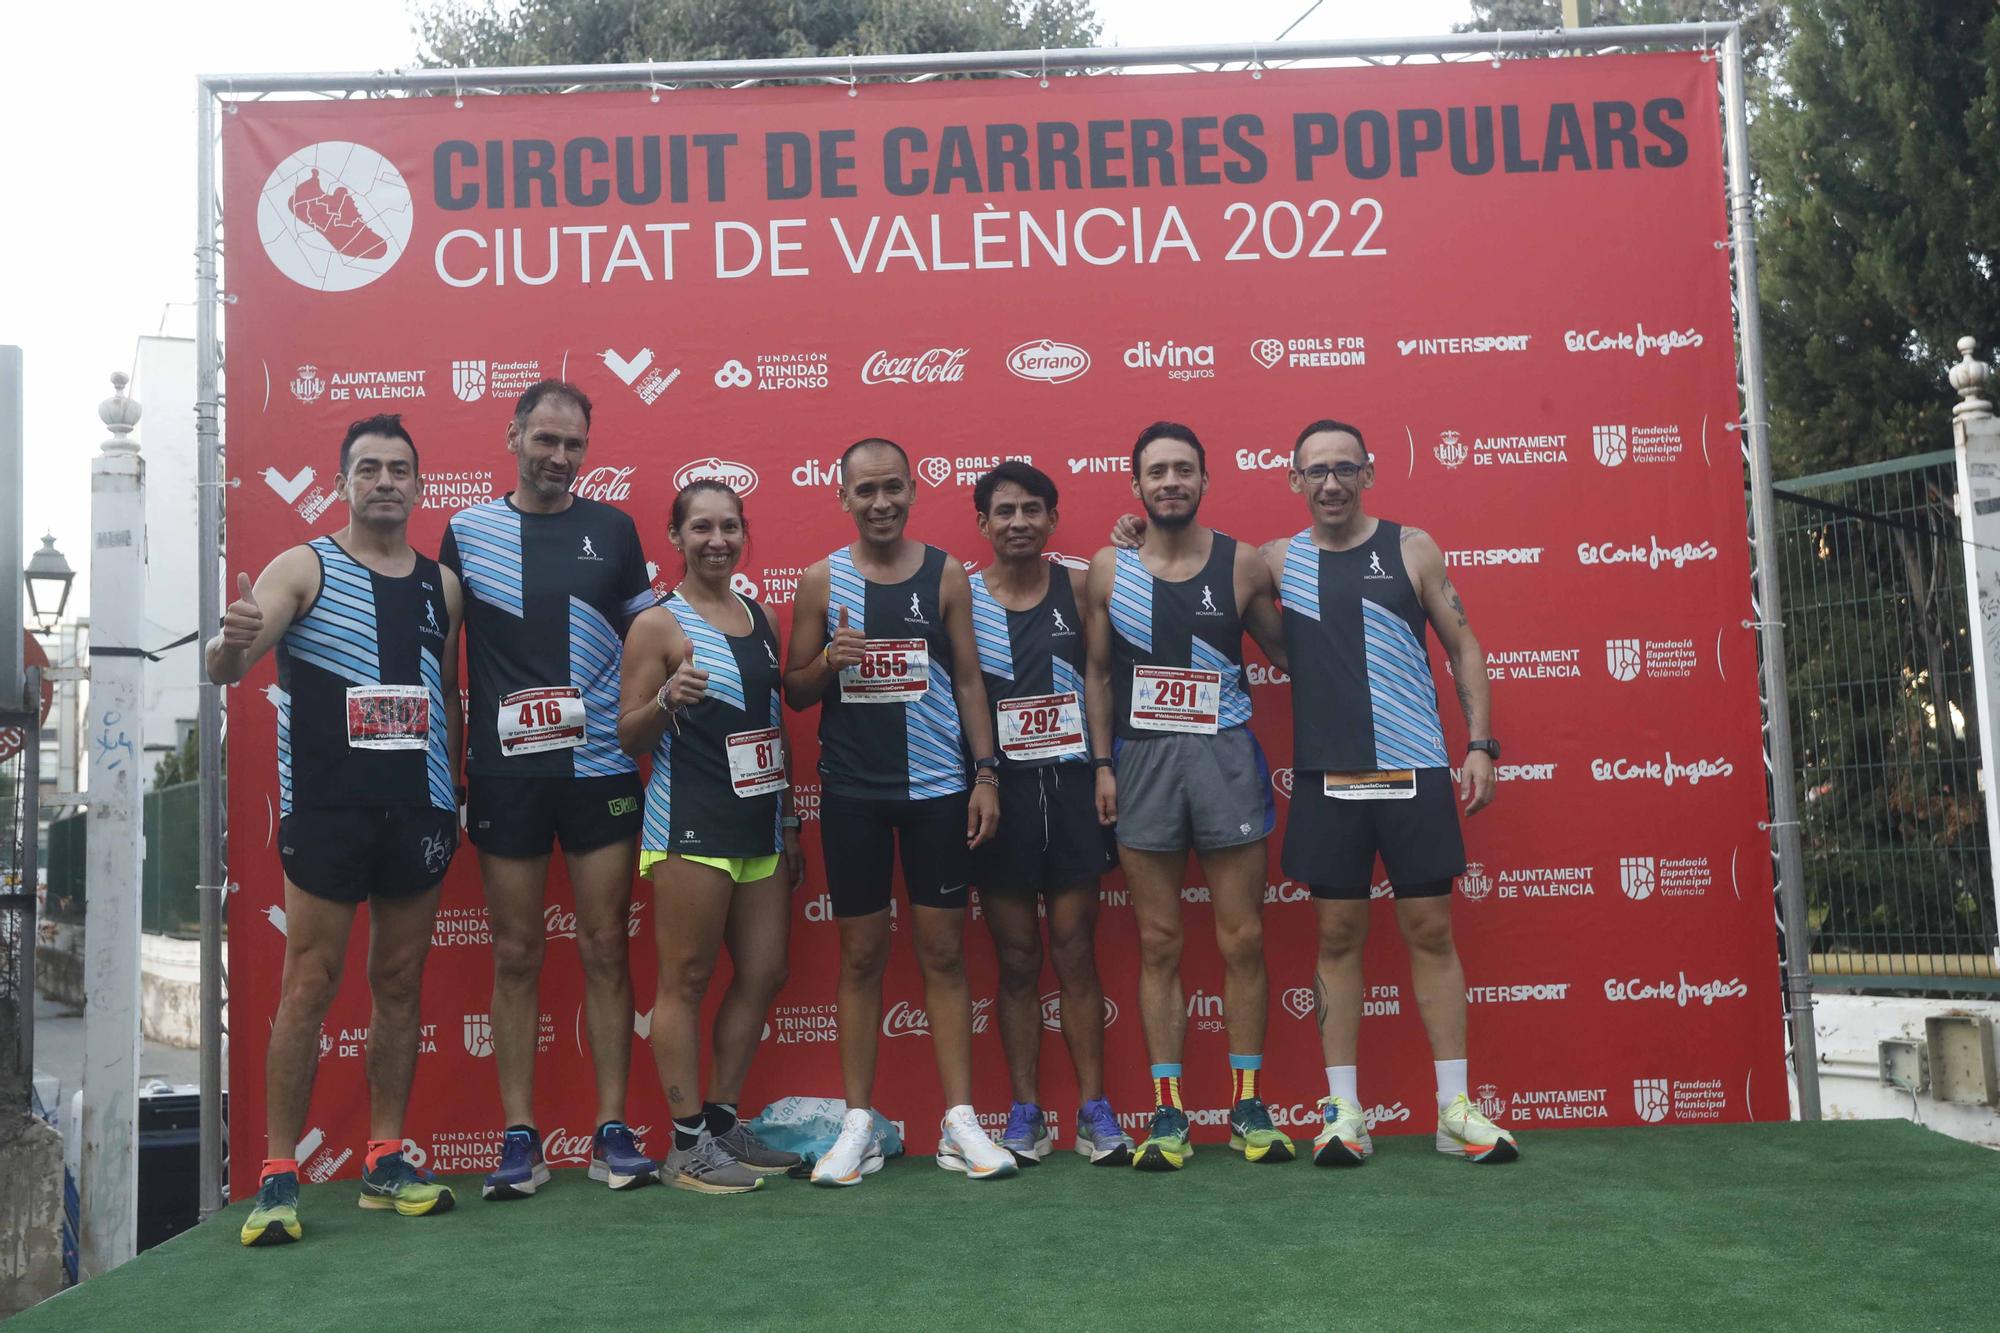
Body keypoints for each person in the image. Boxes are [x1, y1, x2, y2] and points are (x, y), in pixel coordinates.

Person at [207, 414, 462, 1245]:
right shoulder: (303, 565)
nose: (385, 480)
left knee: (398, 980)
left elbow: (445, 696)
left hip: (418, 809)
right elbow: (232, 660)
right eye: (369, 469)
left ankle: (385, 1160)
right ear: (343, 482)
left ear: (418, 484)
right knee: (309, 984)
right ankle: (278, 1176)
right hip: (328, 811)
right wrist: (226, 647)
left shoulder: (442, 586)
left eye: (399, 468)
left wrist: (453, 791)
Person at [1272, 420, 1514, 1166]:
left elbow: (1464, 644)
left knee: (1431, 934)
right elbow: (1180, 569)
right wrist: (1130, 528)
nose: (1332, 482)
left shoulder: (1412, 548)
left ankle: (1453, 1110)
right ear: (1294, 481)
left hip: (1412, 771)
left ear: (1369, 472)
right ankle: (1344, 1112)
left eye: (1345, 467)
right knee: (1338, 938)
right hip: (1327, 777)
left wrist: (1479, 745)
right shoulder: (1275, 561)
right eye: (1316, 471)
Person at [439, 381, 659, 1199]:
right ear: (513, 436)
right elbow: (448, 671)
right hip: (506, 774)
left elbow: (655, 637)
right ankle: (519, 1137)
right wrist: (453, 772)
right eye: (545, 441)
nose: (560, 457)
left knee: (606, 945)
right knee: (517, 952)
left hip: (601, 768)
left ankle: (610, 1130)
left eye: (574, 445)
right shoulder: (466, 531)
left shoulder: (614, 528)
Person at [782, 437, 1016, 1185]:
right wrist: (829, 662)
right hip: (853, 793)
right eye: (865, 490)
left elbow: (972, 680)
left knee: (944, 955)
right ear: (843, 496)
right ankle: (858, 1125)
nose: (880, 502)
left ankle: (959, 1122)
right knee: (860, 957)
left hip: (939, 789)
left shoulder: (948, 573)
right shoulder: (820, 580)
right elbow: (795, 688)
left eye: (892, 488)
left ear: (912, 491)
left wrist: (987, 774)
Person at [1084, 422, 1293, 1172]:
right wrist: (1102, 764)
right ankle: (1168, 1111)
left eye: (1182, 470)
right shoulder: (1109, 568)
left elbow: (1288, 651)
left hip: (1225, 759)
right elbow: (1099, 676)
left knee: (1242, 938)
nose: (1169, 481)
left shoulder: (1242, 565)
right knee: (1160, 942)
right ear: (1135, 485)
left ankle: (1246, 1103)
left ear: (1205, 479)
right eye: (1156, 472)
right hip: (1142, 763)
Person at [617, 481, 806, 1194]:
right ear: (676, 537)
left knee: (765, 971)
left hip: (758, 822)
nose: (717, 539)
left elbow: (772, 724)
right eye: (701, 527)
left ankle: (724, 1120)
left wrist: (789, 818)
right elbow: (626, 731)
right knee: (686, 979)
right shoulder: (658, 625)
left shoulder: (760, 616)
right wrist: (666, 700)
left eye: (729, 525)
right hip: (690, 824)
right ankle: (687, 1142)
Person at [968, 462, 1132, 1167]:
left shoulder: (1080, 581)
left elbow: (1102, 671)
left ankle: (1095, 1109)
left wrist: (1102, 764)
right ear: (983, 523)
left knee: (1074, 950)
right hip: (998, 794)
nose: (1018, 523)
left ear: (1053, 518)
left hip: (1070, 789)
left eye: (1031, 509)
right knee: (1016, 958)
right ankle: (1026, 1111)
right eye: (1003, 511)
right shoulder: (961, 595)